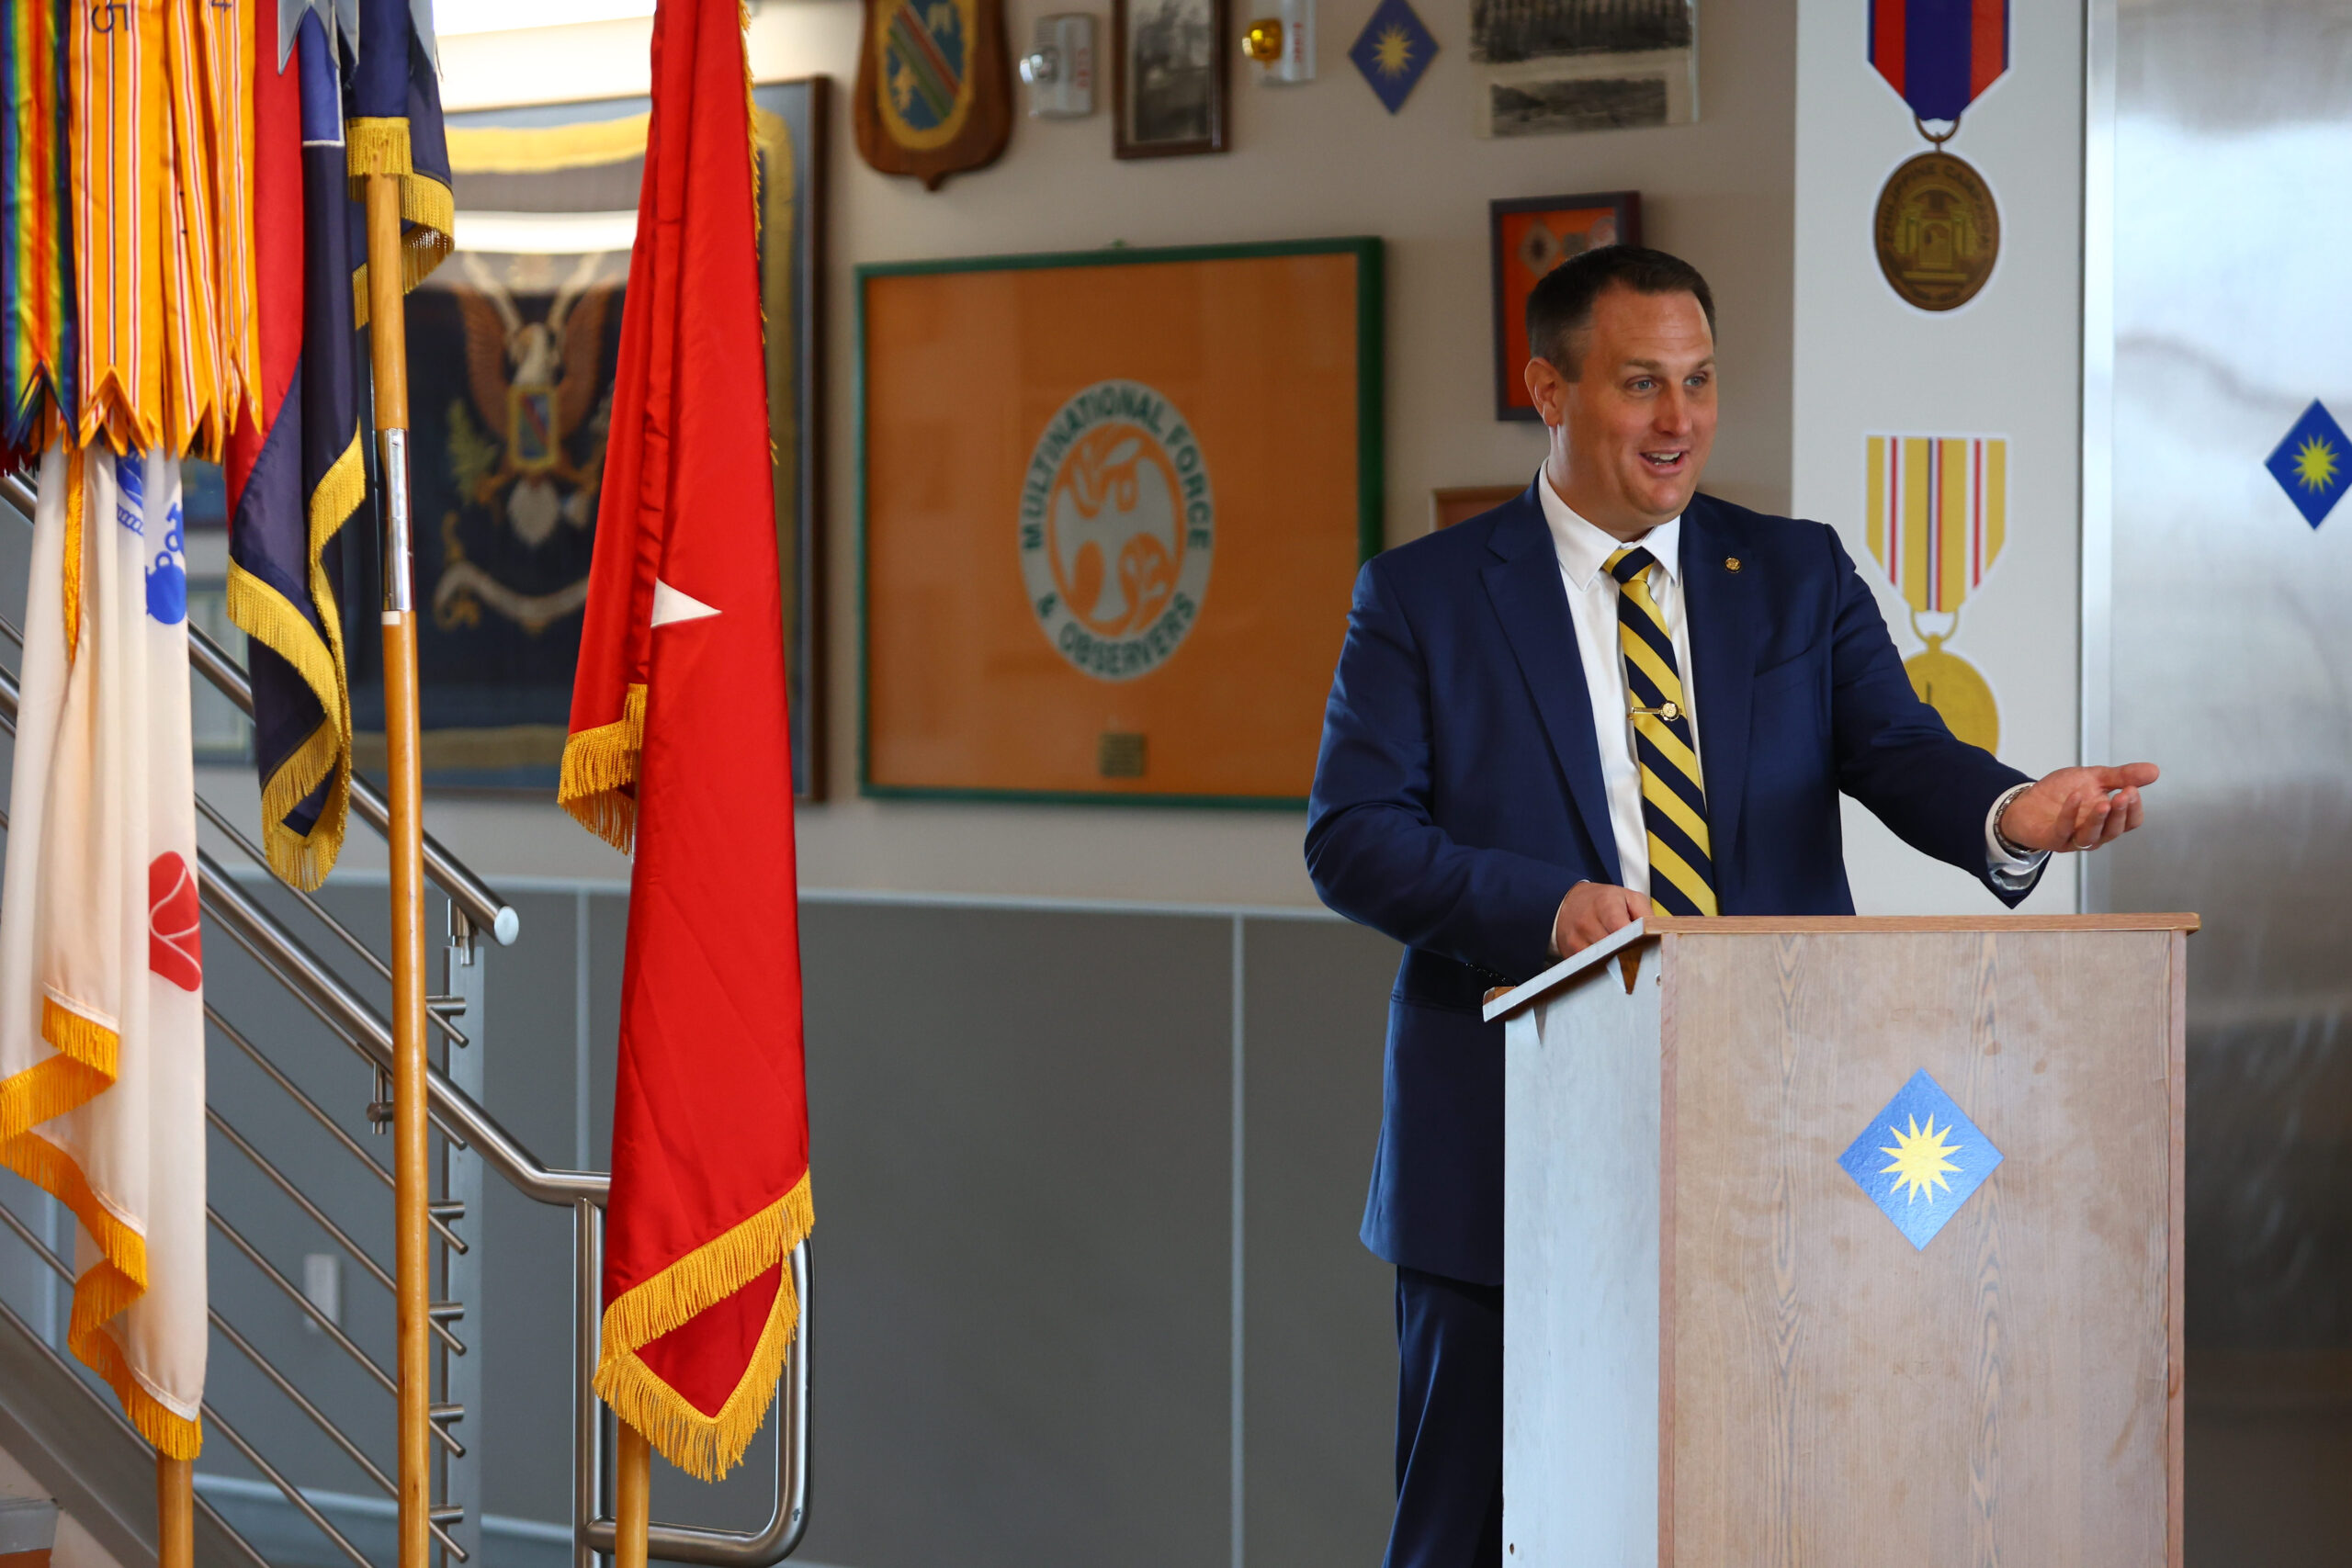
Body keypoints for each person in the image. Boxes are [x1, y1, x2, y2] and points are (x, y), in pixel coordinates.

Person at [1303, 245, 2157, 1568]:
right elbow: (1353, 841)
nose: (1681, 420)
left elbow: (1900, 753)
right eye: (1642, 384)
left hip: (1785, 1134)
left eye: (1700, 382)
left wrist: (2013, 812)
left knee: (1768, 1503)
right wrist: (1548, 910)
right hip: (1511, 1151)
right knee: (1471, 1532)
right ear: (1549, 388)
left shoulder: (1798, 574)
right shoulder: (1421, 598)